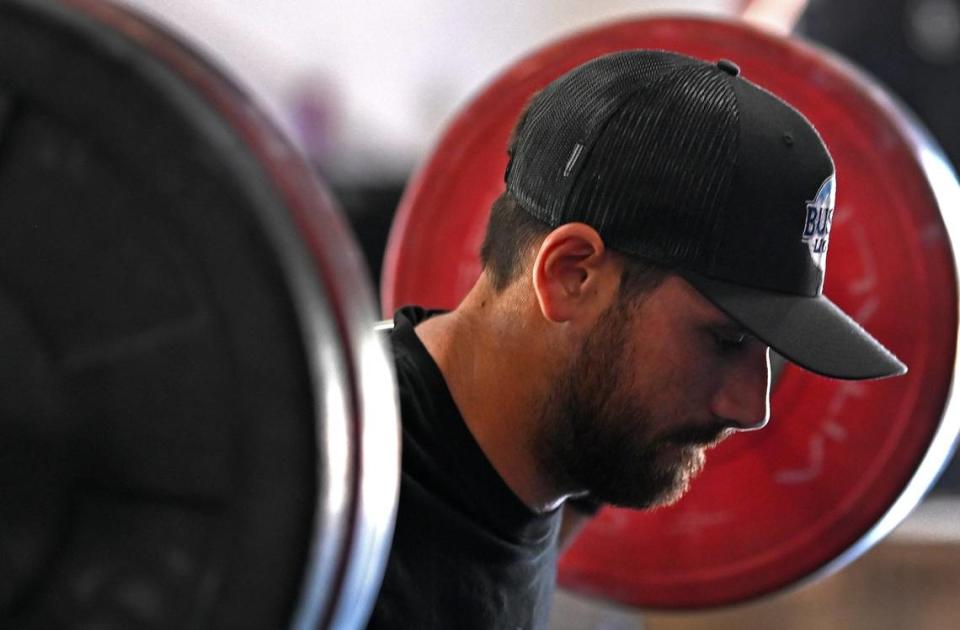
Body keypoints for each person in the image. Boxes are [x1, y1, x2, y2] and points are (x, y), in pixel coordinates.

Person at [366, 50, 906, 629]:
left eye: (768, 351)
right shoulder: (327, 492)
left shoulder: (535, 467)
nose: (752, 408)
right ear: (570, 274)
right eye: (725, 340)